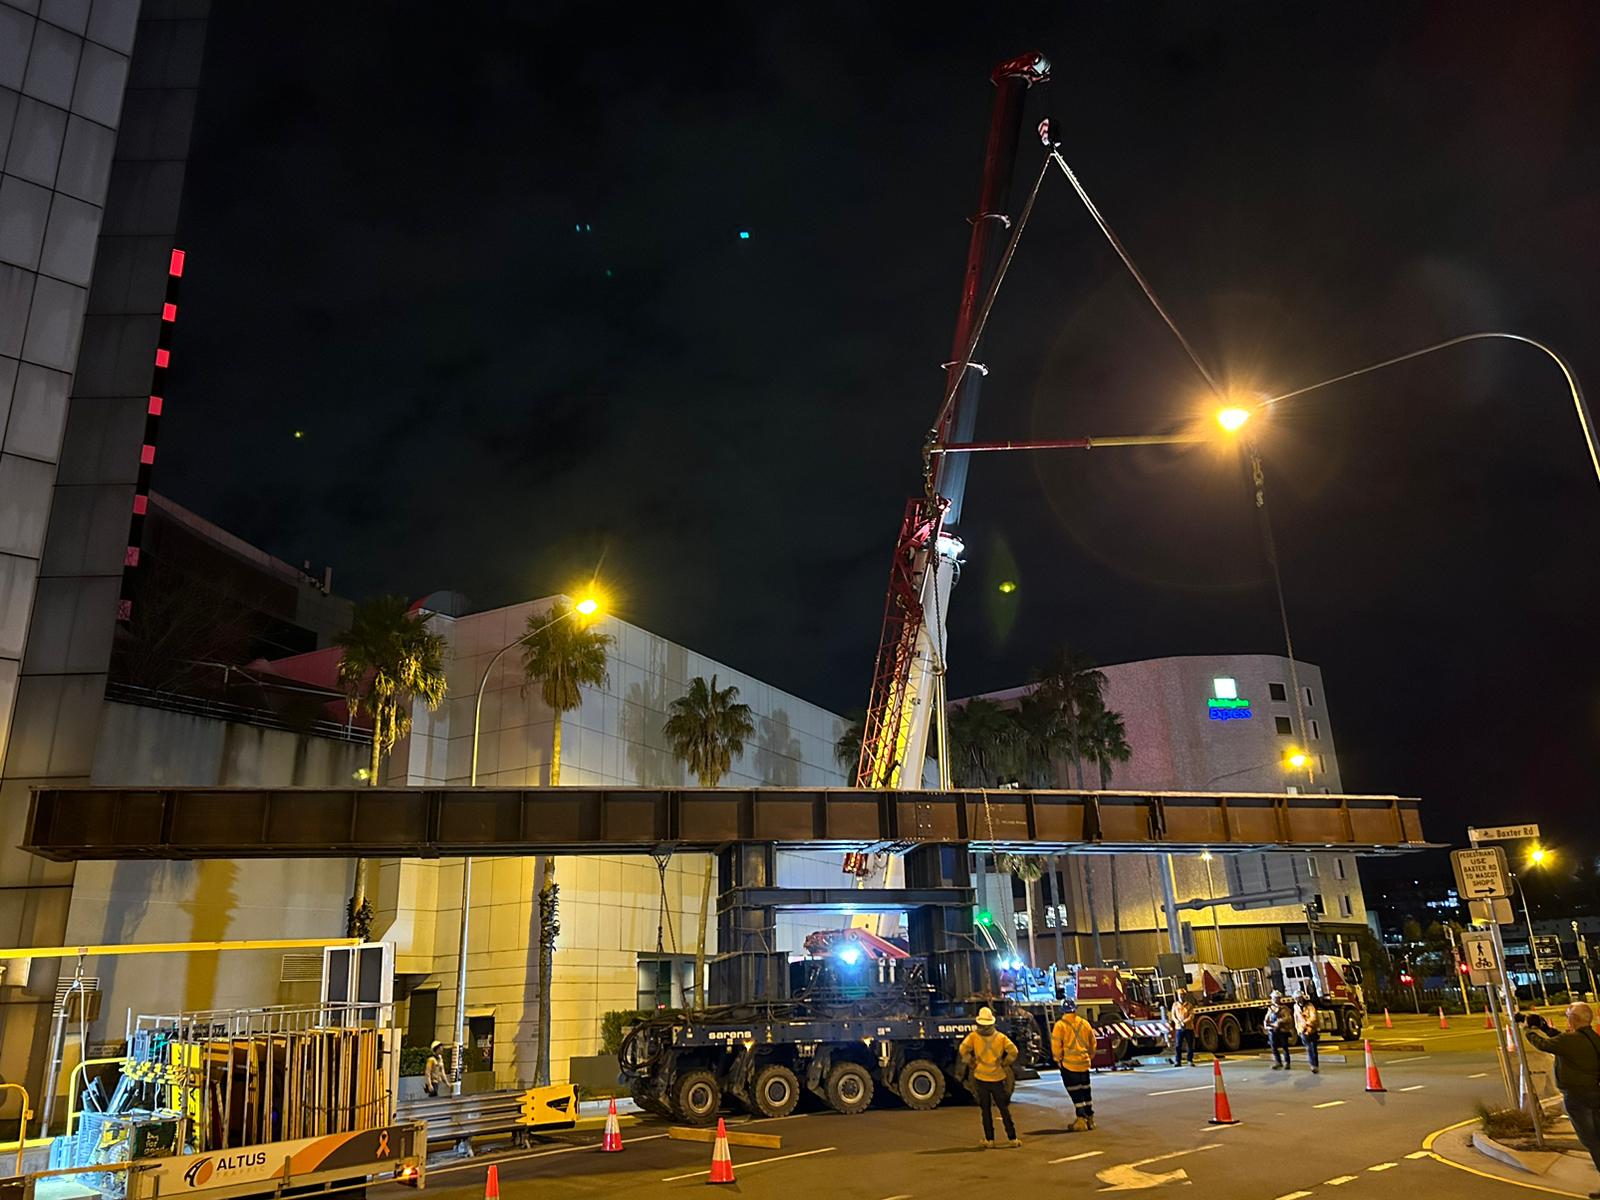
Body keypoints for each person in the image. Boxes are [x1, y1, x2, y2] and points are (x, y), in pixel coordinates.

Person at [1522, 1003, 1600, 1194]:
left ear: (1573, 1019)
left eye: (1567, 1015)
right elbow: (1561, 1040)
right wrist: (1545, 1028)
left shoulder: (1569, 1040)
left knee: (1590, 1139)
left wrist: (1528, 1030)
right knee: (1597, 1136)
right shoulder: (1593, 1038)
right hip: (1594, 1092)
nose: (1567, 1019)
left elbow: (1543, 1044)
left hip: (1577, 1096)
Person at [959, 1006, 1020, 1149]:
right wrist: (1005, 1063)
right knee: (1003, 1109)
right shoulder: (1000, 1037)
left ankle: (989, 1140)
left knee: (985, 1111)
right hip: (997, 1077)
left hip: (981, 1077)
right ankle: (1012, 1138)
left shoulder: (973, 1037)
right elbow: (1014, 1051)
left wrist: (971, 1062)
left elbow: (963, 1049)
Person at [1052, 999, 1099, 1131]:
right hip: (1084, 1063)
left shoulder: (1060, 1025)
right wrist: (1090, 1056)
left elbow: (1056, 1045)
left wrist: (1058, 1059)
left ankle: (1081, 1120)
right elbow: (1093, 1042)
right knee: (1086, 1091)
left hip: (1069, 1065)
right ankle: (1090, 1119)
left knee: (1075, 1092)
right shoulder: (1084, 1023)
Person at [1265, 991, 1295, 1069]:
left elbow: (1288, 1018)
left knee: (1284, 1046)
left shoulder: (1284, 1008)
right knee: (1273, 1047)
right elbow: (1267, 1018)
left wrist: (1279, 1021)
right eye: (1273, 998)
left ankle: (1287, 1063)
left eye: (1276, 998)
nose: (1274, 999)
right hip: (1272, 1030)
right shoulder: (1271, 1008)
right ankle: (1278, 1062)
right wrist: (1266, 1023)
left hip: (1282, 1030)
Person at [1296, 993, 1322, 1074]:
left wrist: (1307, 1024)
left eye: (1299, 998)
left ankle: (1315, 1065)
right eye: (1296, 998)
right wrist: (1298, 1029)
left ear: (1302, 998)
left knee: (1313, 1048)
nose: (1297, 999)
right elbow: (1296, 1018)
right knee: (1308, 1048)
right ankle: (1312, 1065)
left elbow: (1313, 1017)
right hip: (1303, 1030)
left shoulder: (1310, 1006)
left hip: (1312, 1029)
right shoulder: (1296, 1007)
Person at [1170, 994, 1197, 1067]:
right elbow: (1173, 1015)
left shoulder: (1189, 1005)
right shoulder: (1175, 1005)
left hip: (1188, 1027)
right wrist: (1178, 1022)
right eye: (1180, 996)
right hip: (1179, 1028)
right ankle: (1178, 1061)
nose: (1181, 997)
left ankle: (1190, 1060)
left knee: (1190, 1044)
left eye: (1182, 996)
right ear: (1178, 996)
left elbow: (1191, 1015)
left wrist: (1184, 1022)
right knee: (1178, 1045)